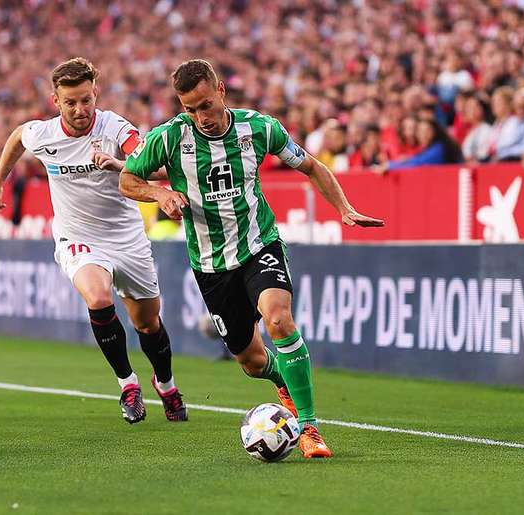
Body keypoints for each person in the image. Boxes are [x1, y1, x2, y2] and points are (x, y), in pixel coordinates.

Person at [119, 59, 384, 458]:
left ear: (221, 90)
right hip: (211, 265)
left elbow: (311, 166)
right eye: (189, 109)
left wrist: (343, 208)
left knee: (279, 318)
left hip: (259, 245)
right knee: (252, 361)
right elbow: (127, 179)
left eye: (205, 105)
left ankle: (309, 428)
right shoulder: (168, 138)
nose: (200, 117)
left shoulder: (259, 128)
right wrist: (161, 194)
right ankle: (282, 382)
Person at [0, 58, 186, 424]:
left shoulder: (115, 128)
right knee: (98, 296)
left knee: (147, 324)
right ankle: (128, 385)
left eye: (86, 100)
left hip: (126, 237)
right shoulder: (43, 135)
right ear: (55, 102)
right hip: (78, 236)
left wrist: (123, 167)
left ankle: (167, 386)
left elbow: (150, 161)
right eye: (71, 102)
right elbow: (16, 137)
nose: (80, 109)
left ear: (96, 94)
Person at [386, 118, 464, 170]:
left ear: (435, 131)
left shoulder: (439, 148)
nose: (423, 134)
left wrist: (390, 165)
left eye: (427, 130)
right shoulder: (430, 148)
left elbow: (417, 164)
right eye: (420, 131)